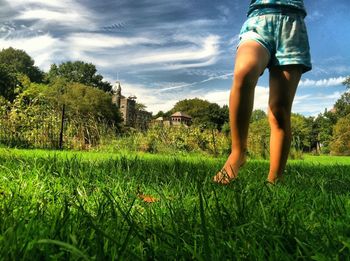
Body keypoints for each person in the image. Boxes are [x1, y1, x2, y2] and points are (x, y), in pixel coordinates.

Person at [213, 0, 311, 184]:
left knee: (279, 110)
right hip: (259, 20)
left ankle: (275, 179)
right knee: (244, 72)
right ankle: (238, 153)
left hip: (293, 25)